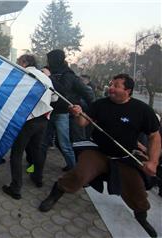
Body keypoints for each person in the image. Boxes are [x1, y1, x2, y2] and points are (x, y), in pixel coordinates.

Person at [39, 74, 161, 238]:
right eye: (111, 84)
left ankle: (142, 218)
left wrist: (153, 161)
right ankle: (54, 195)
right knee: (78, 174)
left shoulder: (142, 110)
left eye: (117, 85)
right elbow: (83, 123)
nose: (111, 87)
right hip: (97, 150)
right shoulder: (100, 104)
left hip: (124, 157)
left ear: (128, 91)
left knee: (137, 191)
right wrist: (77, 114)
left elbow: (154, 136)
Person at [2, 54, 58, 200]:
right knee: (37, 150)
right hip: (43, 120)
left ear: (25, 62)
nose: (17, 64)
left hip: (27, 120)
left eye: (18, 62)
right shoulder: (45, 77)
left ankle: (16, 187)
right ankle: (37, 178)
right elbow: (55, 98)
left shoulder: (24, 74)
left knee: (17, 153)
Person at [41, 49, 94, 172]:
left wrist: (90, 111)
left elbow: (63, 91)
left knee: (64, 144)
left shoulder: (68, 75)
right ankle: (36, 171)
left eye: (50, 59)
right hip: (48, 111)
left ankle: (75, 170)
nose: (48, 62)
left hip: (62, 113)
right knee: (43, 144)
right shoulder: (48, 71)